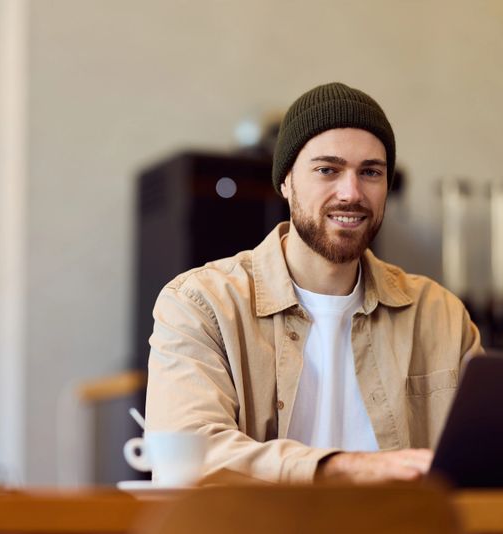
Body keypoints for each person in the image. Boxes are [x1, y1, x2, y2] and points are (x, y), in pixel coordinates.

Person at [144, 82, 482, 484]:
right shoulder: (201, 304)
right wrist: (341, 467)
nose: (351, 193)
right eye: (328, 170)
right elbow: (188, 456)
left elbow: (485, 458)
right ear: (286, 181)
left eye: (370, 172)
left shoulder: (438, 312)